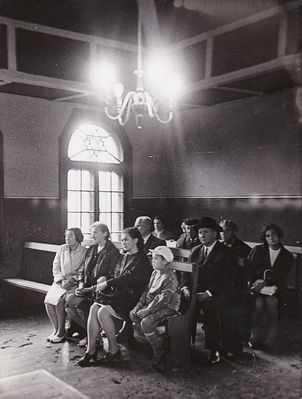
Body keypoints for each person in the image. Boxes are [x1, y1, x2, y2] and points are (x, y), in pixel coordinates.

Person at [78, 227, 152, 366]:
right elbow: (115, 273)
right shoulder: (124, 256)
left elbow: (127, 279)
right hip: (120, 295)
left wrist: (107, 283)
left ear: (136, 240)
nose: (123, 243)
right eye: (122, 240)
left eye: (126, 240)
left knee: (103, 311)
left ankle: (114, 349)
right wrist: (105, 277)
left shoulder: (141, 260)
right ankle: (91, 350)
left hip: (133, 298)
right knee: (94, 307)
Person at [181, 217, 232, 364]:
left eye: (206, 232)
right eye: (200, 232)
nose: (202, 235)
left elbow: (226, 280)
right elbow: (186, 272)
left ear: (215, 233)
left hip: (216, 292)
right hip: (194, 291)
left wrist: (208, 293)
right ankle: (184, 344)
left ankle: (213, 349)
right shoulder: (196, 250)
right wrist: (185, 287)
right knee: (180, 303)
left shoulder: (225, 252)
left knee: (211, 308)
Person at [65, 222, 120, 346]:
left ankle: (95, 338)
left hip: (102, 290)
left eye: (95, 232)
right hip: (86, 288)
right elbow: (82, 270)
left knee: (82, 307)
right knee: (69, 304)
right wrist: (81, 285)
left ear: (105, 234)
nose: (92, 235)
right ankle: (90, 334)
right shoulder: (92, 249)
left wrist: (89, 289)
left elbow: (112, 276)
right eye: (91, 232)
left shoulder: (112, 251)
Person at [130, 246, 180, 371]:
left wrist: (147, 310)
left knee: (146, 322)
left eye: (156, 259)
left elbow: (164, 299)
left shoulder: (170, 276)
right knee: (133, 314)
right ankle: (154, 340)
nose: (153, 261)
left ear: (165, 261)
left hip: (168, 306)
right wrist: (139, 305)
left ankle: (159, 351)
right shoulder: (155, 272)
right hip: (154, 304)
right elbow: (147, 291)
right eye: (152, 258)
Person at [248, 223, 294, 351]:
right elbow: (249, 271)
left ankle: (271, 338)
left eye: (274, 234)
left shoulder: (287, 255)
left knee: (271, 303)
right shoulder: (258, 250)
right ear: (265, 238)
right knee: (258, 304)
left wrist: (265, 282)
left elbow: (282, 277)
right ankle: (254, 335)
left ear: (279, 236)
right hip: (257, 288)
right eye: (268, 236)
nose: (271, 238)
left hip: (276, 289)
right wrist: (256, 283)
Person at [44, 228, 86, 343]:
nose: (67, 238)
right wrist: (61, 280)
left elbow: (83, 269)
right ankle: (56, 329)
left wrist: (72, 280)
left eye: (71, 236)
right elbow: (56, 266)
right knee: (48, 301)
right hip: (61, 281)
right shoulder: (62, 249)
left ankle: (61, 332)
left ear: (78, 237)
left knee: (60, 300)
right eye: (66, 236)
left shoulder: (84, 251)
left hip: (75, 284)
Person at [219, 220, 251, 355]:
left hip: (238, 289)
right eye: (221, 230)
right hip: (222, 287)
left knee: (232, 312)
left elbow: (247, 274)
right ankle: (222, 343)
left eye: (226, 230)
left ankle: (234, 346)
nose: (223, 233)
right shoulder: (219, 247)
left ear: (233, 231)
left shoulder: (244, 249)